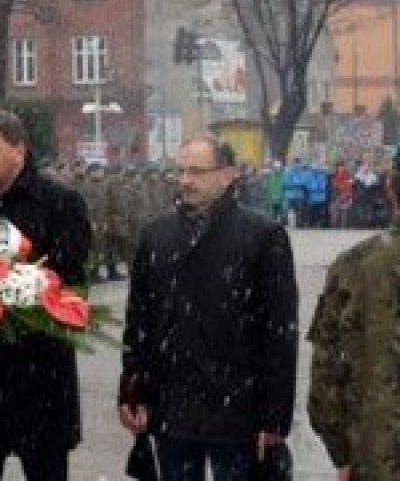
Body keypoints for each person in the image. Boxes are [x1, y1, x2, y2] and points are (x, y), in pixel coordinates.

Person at [117, 136, 299, 481]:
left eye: (197, 172)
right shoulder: (157, 234)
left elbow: (280, 334)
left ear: (227, 175)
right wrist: (131, 390)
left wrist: (275, 418)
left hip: (238, 411)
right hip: (173, 409)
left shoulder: (262, 236)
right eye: (181, 171)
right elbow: (139, 320)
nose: (185, 180)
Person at [0, 110, 92, 480]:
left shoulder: (60, 202)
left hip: (40, 368)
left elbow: (72, 281)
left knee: (45, 468)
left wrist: (21, 286)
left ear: (19, 150)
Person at [307, 169, 400, 480]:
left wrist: (340, 452)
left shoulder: (354, 264)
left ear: (392, 189)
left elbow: (325, 368)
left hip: (375, 453)